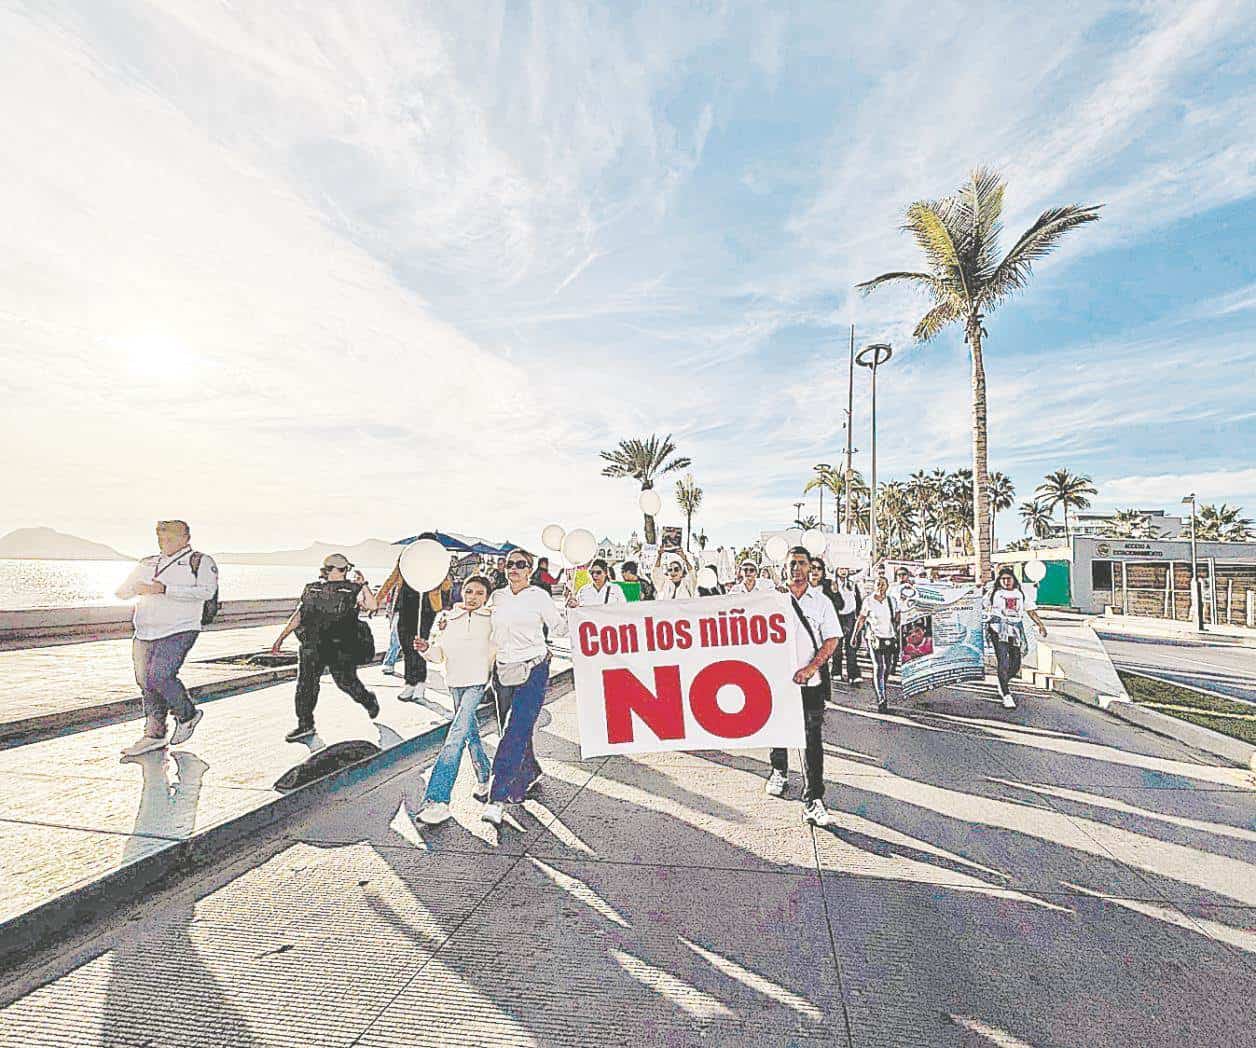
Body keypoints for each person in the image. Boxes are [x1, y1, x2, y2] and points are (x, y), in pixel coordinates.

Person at [481, 548, 573, 827]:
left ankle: (497, 796)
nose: (514, 569)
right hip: (504, 670)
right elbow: (485, 630)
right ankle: (530, 771)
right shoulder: (497, 597)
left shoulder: (539, 597)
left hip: (534, 668)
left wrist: (573, 610)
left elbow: (559, 629)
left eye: (521, 565)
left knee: (514, 729)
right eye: (510, 564)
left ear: (530, 570)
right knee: (512, 728)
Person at [116, 520, 218, 756]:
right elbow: (124, 589)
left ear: (185, 538)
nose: (165, 543)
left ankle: (187, 714)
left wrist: (165, 590)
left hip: (180, 628)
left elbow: (206, 592)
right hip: (144, 630)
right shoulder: (147, 562)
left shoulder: (201, 561)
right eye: (161, 539)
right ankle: (154, 734)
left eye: (171, 538)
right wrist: (128, 591)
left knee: (160, 675)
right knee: (146, 682)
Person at [764, 546, 842, 827]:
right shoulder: (772, 601)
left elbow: (832, 639)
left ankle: (813, 800)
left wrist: (811, 668)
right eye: (792, 563)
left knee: (812, 741)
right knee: (778, 729)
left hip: (811, 684)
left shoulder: (821, 603)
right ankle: (779, 771)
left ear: (811, 568)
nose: (796, 568)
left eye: (801, 563)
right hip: (779, 683)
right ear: (784, 568)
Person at [412, 574, 495, 824]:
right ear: (461, 592)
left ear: (487, 597)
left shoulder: (492, 620)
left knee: (455, 737)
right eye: (469, 591)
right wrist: (426, 649)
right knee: (469, 733)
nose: (473, 597)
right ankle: (484, 776)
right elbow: (439, 655)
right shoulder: (446, 618)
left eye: (480, 593)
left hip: (477, 683)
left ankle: (438, 800)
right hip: (454, 683)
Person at [271, 554, 380, 741]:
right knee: (306, 685)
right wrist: (281, 638)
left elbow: (372, 605)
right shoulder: (312, 589)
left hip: (341, 647)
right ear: (329, 570)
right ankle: (305, 724)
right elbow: (298, 615)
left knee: (346, 682)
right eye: (343, 569)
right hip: (312, 645)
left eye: (347, 569)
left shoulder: (353, 589)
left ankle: (368, 700)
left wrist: (364, 584)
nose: (346, 573)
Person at [376, 538, 453, 702]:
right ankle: (410, 683)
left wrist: (441, 571)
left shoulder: (438, 562)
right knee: (406, 644)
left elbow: (447, 586)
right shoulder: (407, 557)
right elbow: (392, 579)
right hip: (405, 606)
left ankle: (420, 685)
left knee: (420, 646)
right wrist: (377, 600)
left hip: (426, 608)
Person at [986, 566, 1048, 709]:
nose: (1006, 581)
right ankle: (1006, 694)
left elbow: (1031, 611)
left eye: (1009, 578)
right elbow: (978, 603)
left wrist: (1040, 625)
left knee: (1016, 663)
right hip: (998, 629)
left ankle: (1003, 682)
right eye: (1003, 579)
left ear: (1014, 580)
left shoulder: (1021, 593)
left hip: (1015, 631)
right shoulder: (993, 593)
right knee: (1003, 659)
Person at [854, 576, 898, 713]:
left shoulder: (891, 601)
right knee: (879, 666)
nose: (880, 587)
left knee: (887, 667)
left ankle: (881, 686)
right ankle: (881, 698)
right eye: (878, 584)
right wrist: (855, 635)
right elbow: (861, 618)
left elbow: (897, 618)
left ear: (887, 586)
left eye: (883, 584)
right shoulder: (868, 601)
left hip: (889, 637)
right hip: (874, 638)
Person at [830, 566, 863, 684]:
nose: (843, 571)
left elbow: (858, 601)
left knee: (851, 646)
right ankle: (836, 672)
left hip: (851, 617)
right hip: (837, 617)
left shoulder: (852, 584)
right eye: (841, 569)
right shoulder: (832, 583)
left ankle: (853, 674)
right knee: (837, 647)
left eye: (846, 569)